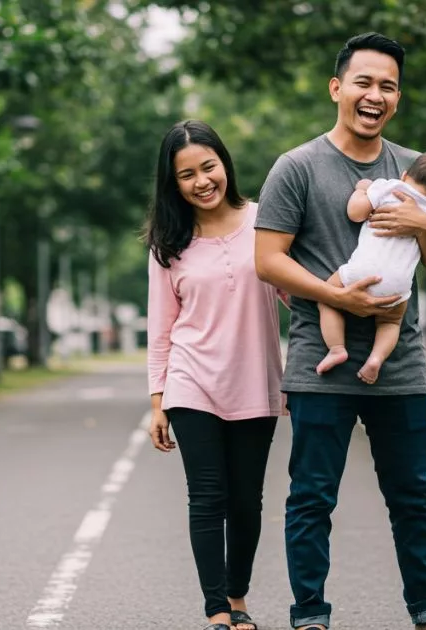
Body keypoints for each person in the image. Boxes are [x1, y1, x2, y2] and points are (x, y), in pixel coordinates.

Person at [253, 32, 426, 630]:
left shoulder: (418, 172)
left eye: (388, 86)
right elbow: (269, 260)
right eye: (364, 83)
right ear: (337, 88)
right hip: (322, 362)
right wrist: (335, 295)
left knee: (413, 500)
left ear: (398, 96)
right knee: (312, 499)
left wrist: (422, 226)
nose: (375, 95)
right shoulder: (297, 167)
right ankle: (310, 615)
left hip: (402, 365)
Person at [146, 119, 286, 630]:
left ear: (224, 163)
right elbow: (161, 328)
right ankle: (216, 611)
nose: (201, 181)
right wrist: (158, 400)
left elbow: (292, 290)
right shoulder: (169, 243)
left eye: (208, 167)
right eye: (186, 174)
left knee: (247, 499)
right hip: (191, 382)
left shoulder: (266, 221)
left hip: (256, 380)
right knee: (208, 496)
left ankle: (238, 597)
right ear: (173, 183)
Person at [316, 151, 426, 385]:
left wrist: (362, 191)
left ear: (405, 176)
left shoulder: (388, 187)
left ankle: (336, 348)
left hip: (363, 272)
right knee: (390, 322)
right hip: (398, 285)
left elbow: (355, 213)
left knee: (326, 297)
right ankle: (375, 360)